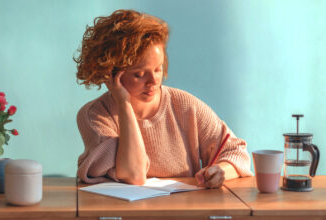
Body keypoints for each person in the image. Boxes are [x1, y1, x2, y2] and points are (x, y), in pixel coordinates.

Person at [74, 9, 252, 188]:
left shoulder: (185, 106)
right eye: (140, 74)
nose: (153, 81)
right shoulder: (95, 116)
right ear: (110, 74)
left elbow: (236, 152)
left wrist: (221, 171)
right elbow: (134, 175)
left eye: (158, 69)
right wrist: (124, 103)